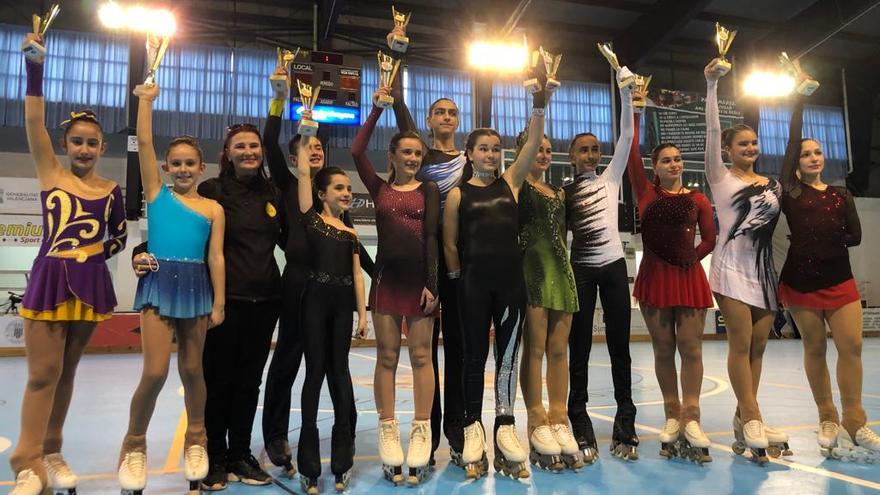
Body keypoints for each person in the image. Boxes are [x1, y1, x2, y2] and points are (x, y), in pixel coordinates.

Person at [10, 32, 127, 495]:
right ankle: (26, 458)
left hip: (88, 280)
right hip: (51, 277)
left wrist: (99, 256)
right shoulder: (50, 172)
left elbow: (116, 238)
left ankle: (52, 450)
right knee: (42, 373)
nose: (83, 149)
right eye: (76, 141)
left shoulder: (110, 192)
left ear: (102, 148)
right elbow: (33, 122)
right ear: (64, 143)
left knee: (68, 372)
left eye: (92, 143)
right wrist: (35, 68)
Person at [259, 70, 371, 477]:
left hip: (334, 290)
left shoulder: (336, 207)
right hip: (298, 284)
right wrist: (281, 102)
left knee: (333, 367)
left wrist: (382, 277)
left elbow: (354, 255)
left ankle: (344, 437)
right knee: (289, 359)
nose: (315, 151)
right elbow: (270, 141)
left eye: (320, 147)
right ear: (296, 158)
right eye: (309, 148)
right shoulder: (293, 187)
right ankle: (275, 434)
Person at [442, 75, 552, 480]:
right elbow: (450, 243)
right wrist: (457, 278)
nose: (490, 154)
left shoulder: (512, 183)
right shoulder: (457, 195)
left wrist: (538, 102)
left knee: (507, 360)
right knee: (473, 359)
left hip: (511, 286)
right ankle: (473, 427)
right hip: (472, 286)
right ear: (469, 154)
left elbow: (532, 141)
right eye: (482, 149)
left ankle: (505, 426)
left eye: (495, 148)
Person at [117, 82, 225, 494]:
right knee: (156, 371)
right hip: (159, 286)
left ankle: (197, 439)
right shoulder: (157, 194)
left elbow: (216, 257)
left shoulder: (213, 209)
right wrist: (145, 102)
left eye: (189, 163)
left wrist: (219, 302)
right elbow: (143, 142)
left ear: (202, 168)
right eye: (175, 163)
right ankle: (134, 445)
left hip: (197, 290)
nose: (182, 169)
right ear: (164, 167)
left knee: (193, 369)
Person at [778, 83, 879, 461]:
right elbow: (789, 147)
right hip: (801, 284)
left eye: (818, 152)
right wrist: (798, 100)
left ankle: (855, 419)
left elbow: (855, 235)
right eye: (806, 154)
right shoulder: (792, 192)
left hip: (839, 280)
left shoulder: (842, 195)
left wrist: (822, 238)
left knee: (851, 346)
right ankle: (827, 418)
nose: (813, 157)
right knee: (815, 348)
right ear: (797, 162)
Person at [387, 34, 469, 464]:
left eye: (452, 112)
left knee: (459, 351)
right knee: (428, 354)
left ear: (459, 120)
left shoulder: (471, 159)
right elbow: (397, 100)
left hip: (460, 264)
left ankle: (459, 432)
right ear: (428, 118)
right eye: (439, 111)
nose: (446, 116)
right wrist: (399, 51)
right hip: (424, 268)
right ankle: (430, 433)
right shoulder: (418, 154)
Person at [353, 88, 441, 485]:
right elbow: (356, 151)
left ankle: (421, 429)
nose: (412, 158)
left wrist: (432, 284)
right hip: (386, 284)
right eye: (406, 152)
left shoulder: (429, 191)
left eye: (417, 154)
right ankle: (388, 428)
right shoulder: (379, 189)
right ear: (392, 156)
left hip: (419, 285)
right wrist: (376, 109)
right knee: (386, 357)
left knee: (422, 357)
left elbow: (433, 239)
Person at [704, 58, 786, 463]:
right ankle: (753, 415)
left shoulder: (773, 184)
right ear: (728, 151)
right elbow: (714, 128)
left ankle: (744, 418)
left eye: (754, 143)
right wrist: (712, 86)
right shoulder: (720, 177)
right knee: (739, 342)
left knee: (758, 347)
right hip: (731, 268)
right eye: (742, 144)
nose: (750, 149)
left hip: (764, 272)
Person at [198, 123, 285, 490]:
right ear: (227, 152)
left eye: (254, 145)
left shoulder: (273, 192)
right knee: (218, 382)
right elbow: (188, 234)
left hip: (265, 302)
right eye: (240, 146)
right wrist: (144, 253)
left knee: (250, 383)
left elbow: (293, 242)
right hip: (224, 303)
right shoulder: (212, 190)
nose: (249, 151)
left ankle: (240, 455)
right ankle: (215, 457)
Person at [628, 107, 717, 463]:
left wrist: (692, 257)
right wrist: (634, 112)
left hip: (688, 277)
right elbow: (631, 150)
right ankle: (670, 413)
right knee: (664, 349)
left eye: (678, 159)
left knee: (691, 349)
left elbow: (710, 238)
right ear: (655, 167)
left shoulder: (698, 199)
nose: (674, 164)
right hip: (654, 277)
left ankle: (691, 417)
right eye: (666, 160)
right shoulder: (644, 192)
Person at [564, 75, 637, 465]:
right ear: (572, 156)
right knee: (579, 349)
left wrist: (625, 92)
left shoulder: (610, 180)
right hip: (581, 270)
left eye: (595, 150)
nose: (591, 155)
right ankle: (579, 418)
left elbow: (627, 135)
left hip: (612, 267)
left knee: (619, 348)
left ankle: (626, 420)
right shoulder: (564, 194)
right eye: (584, 151)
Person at [295, 118, 368, 494]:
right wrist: (307, 134)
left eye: (348, 188)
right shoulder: (311, 219)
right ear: (323, 194)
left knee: (340, 375)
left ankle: (343, 455)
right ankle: (308, 459)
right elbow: (305, 175)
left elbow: (357, 276)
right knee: (314, 375)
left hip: (342, 308)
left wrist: (363, 314)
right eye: (338, 187)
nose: (345, 192)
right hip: (314, 305)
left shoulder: (352, 233)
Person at [517, 131, 582, 472]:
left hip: (562, 272)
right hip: (532, 272)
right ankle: (535, 418)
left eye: (547, 150)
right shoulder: (515, 186)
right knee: (536, 350)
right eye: (536, 150)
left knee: (559, 351)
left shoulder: (558, 192)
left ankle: (559, 416)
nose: (543, 155)